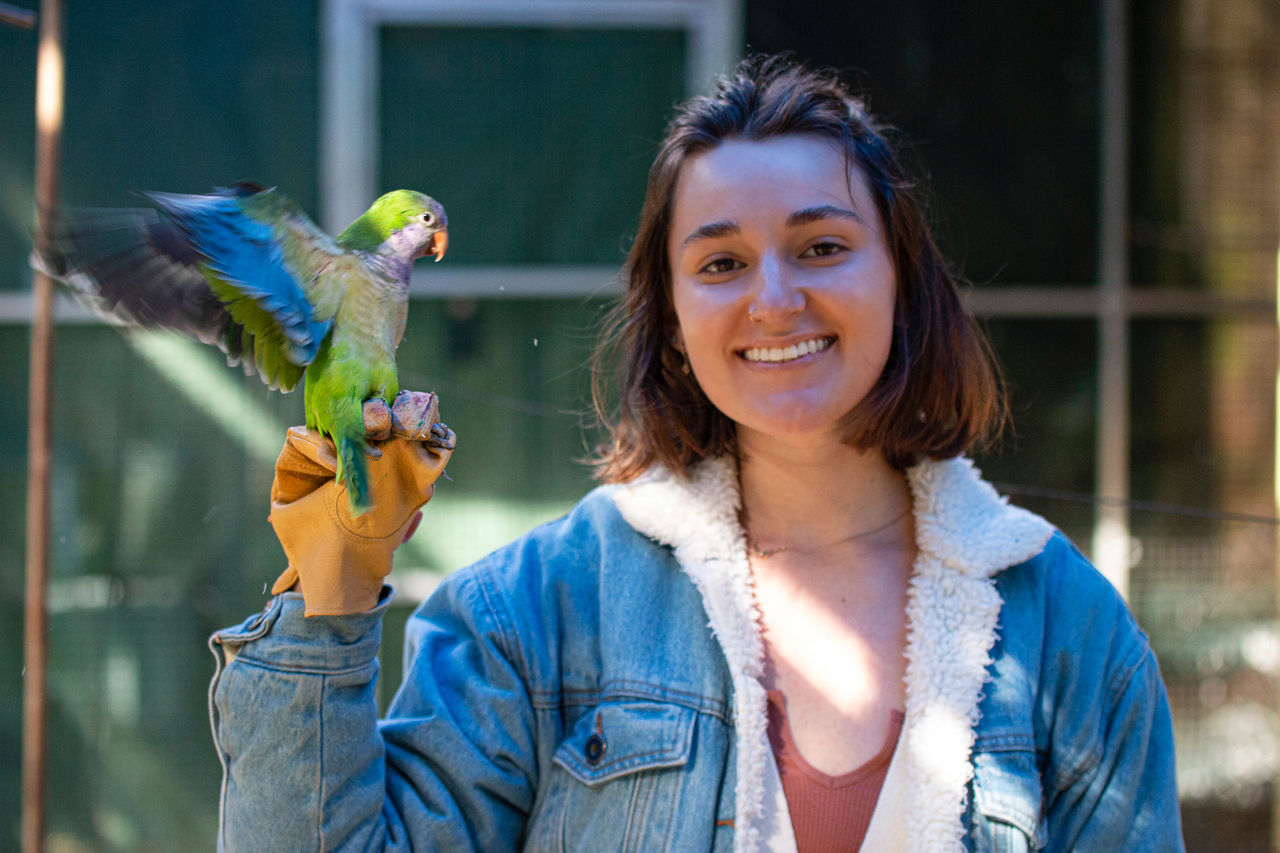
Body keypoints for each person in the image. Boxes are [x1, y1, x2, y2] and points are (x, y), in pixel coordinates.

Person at [209, 55, 1184, 852]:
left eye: (819, 247)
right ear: (673, 320)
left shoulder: (1067, 631)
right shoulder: (541, 611)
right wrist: (325, 602)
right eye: (719, 262)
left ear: (902, 281)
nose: (771, 299)